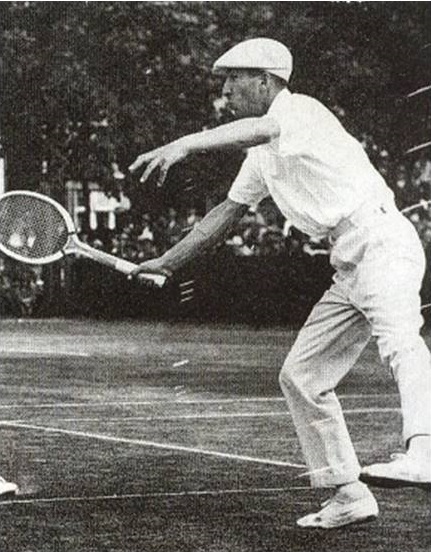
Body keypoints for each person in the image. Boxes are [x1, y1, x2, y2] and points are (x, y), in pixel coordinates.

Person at [129, 38, 431, 529]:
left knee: (401, 342)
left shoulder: (301, 111)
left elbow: (260, 128)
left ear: (265, 82)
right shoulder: (263, 156)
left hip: (382, 242)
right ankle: (348, 494)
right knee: (302, 378)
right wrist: (165, 263)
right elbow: (223, 216)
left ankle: (426, 451)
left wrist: (183, 144)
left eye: (234, 80)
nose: (226, 91)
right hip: (349, 263)